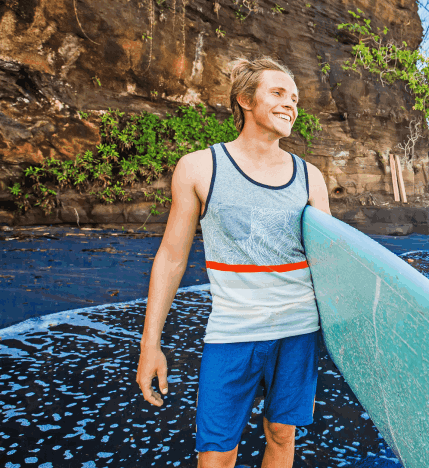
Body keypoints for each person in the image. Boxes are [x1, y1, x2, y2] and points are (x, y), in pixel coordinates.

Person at [136, 56, 331, 468]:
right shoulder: (199, 167)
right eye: (277, 93)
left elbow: (330, 264)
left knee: (282, 434)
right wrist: (150, 344)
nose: (289, 105)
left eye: (294, 98)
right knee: (217, 452)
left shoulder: (310, 176)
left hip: (299, 330)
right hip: (232, 331)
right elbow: (172, 257)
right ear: (245, 99)